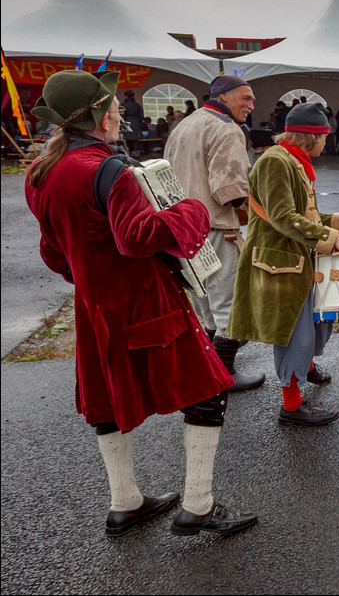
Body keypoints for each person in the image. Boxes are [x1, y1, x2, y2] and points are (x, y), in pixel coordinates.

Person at [24, 69, 255, 537]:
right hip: (147, 302)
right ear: (100, 118)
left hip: (94, 307)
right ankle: (198, 505)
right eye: (113, 110)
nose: (119, 115)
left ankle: (125, 502)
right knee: (208, 389)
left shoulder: (40, 172)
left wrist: (89, 274)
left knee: (106, 401)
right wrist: (190, 209)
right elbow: (138, 238)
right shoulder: (109, 169)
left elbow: (54, 251)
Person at [229, 103, 339, 426]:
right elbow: (283, 218)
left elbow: (307, 217)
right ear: (310, 137)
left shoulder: (294, 160)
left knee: (315, 323)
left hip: (297, 259)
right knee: (295, 333)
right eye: (323, 138)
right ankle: (291, 406)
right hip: (280, 262)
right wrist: (334, 239)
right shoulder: (276, 163)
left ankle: (305, 368)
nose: (326, 143)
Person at [163, 74, 265, 392]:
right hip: (215, 224)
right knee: (230, 303)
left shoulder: (186, 123)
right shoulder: (226, 128)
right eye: (245, 98)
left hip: (183, 225)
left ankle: (206, 370)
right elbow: (229, 189)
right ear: (223, 97)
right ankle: (223, 376)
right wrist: (258, 205)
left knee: (204, 300)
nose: (251, 105)